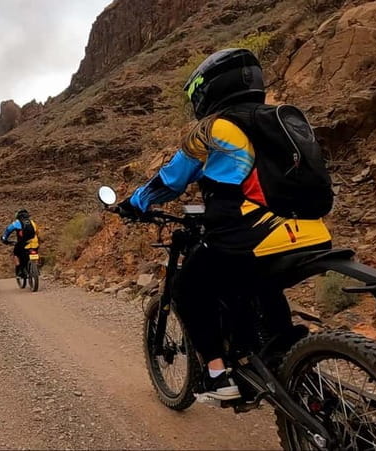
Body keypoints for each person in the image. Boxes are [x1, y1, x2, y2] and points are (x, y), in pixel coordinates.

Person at [117, 48, 332, 402]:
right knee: (258, 282)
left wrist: (135, 203)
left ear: (209, 89)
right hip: (308, 232)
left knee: (188, 289)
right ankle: (286, 355)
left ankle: (218, 375)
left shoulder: (212, 129)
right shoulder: (277, 120)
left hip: (251, 234)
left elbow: (170, 180)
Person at [0, 209, 40, 280]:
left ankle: (20, 271)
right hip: (34, 243)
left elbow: (8, 230)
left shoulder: (17, 223)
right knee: (34, 252)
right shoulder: (33, 222)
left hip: (23, 244)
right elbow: (37, 232)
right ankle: (36, 268)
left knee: (16, 254)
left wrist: (4, 239)